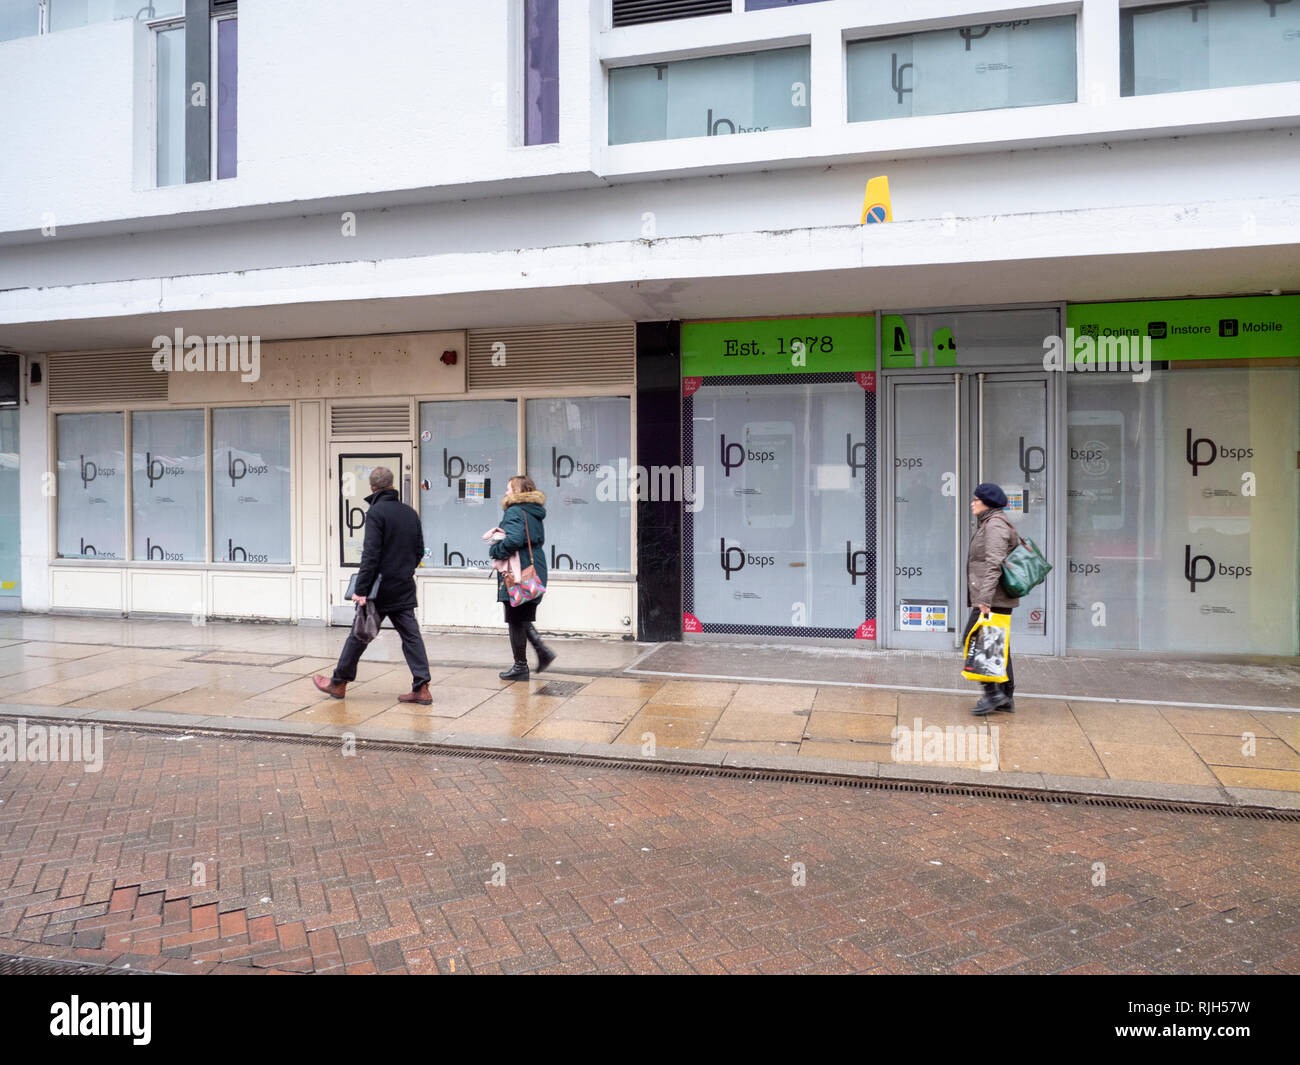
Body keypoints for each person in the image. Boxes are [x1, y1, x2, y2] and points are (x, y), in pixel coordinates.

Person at [314, 466, 432, 704]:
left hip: (380, 589)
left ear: (372, 487)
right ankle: (422, 687)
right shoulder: (410, 513)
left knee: (359, 634)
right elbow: (419, 550)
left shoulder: (376, 512)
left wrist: (361, 589)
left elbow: (371, 554)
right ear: (392, 485)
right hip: (403, 585)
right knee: (411, 637)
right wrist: (404, 571)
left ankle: (338, 683)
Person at [488, 475, 554, 680]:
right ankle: (539, 654)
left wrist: (496, 549)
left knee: (515, 617)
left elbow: (515, 538)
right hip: (534, 568)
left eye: (509, 489)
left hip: (519, 571)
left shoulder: (515, 510)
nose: (506, 492)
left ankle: (522, 665)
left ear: (517, 491)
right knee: (521, 617)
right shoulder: (534, 512)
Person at [964, 482, 1019, 716]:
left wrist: (984, 600)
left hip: (992, 597)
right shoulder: (992, 522)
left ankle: (992, 693)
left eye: (976, 500)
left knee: (976, 638)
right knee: (998, 645)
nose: (972, 503)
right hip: (996, 596)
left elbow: (994, 564)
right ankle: (1005, 696)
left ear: (986, 503)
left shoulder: (995, 525)